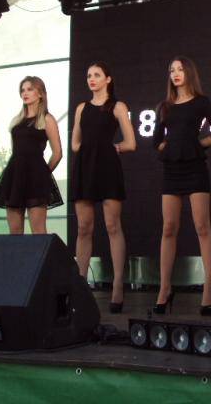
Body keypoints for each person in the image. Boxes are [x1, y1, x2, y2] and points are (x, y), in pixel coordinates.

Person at [152, 56, 211, 316]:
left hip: (195, 169)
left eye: (180, 69)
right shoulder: (165, 106)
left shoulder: (201, 102)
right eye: (171, 70)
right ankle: (164, 288)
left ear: (189, 73)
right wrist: (170, 148)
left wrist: (197, 145)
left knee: (202, 226)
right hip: (172, 169)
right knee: (168, 228)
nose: (175, 73)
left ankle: (209, 287)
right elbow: (156, 141)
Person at [70, 62, 136, 313]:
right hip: (85, 167)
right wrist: (89, 150)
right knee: (83, 227)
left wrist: (113, 148)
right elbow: (75, 143)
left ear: (108, 79)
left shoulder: (117, 106)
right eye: (89, 75)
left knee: (112, 226)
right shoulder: (81, 108)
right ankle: (80, 285)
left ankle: (118, 284)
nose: (92, 79)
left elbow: (131, 143)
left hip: (108, 167)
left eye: (97, 75)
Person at [0, 76, 63, 234]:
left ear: (40, 94)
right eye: (22, 90)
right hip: (14, 176)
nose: (25, 93)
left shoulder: (47, 119)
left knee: (38, 232)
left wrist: (43, 174)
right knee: (15, 232)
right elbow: (15, 151)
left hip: (36, 178)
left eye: (30, 89)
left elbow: (57, 153)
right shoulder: (16, 121)